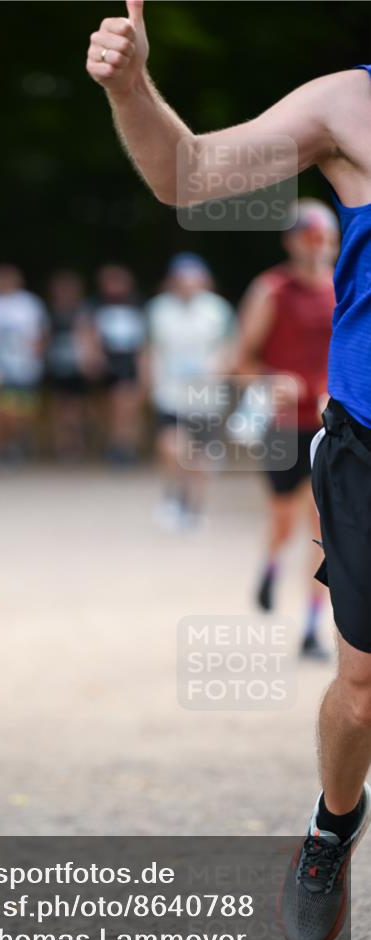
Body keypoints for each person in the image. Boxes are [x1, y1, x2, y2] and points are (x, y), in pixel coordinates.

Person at [87, 1, 371, 940]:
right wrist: (132, 86)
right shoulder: (348, 105)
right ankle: (332, 826)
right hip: (367, 442)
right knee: (362, 690)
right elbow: (188, 174)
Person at [235, 201, 338, 660]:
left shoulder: (346, 288)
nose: (316, 246)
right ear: (291, 242)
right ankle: (271, 562)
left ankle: (312, 629)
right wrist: (269, 380)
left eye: (323, 237)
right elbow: (240, 360)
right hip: (281, 426)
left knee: (323, 529)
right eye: (307, 237)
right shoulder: (271, 290)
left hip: (329, 429)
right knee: (282, 520)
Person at [145, 252, 235, 529]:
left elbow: (232, 347)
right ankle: (173, 495)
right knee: (172, 447)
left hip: (206, 395)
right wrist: (149, 384)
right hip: (170, 392)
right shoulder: (158, 310)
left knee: (201, 457)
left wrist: (222, 372)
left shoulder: (218, 310)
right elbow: (148, 349)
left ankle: (194, 507)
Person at [0, 265, 49, 464]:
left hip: (24, 367)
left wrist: (36, 356)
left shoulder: (29, 304)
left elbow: (42, 332)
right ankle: (1, 448)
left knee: (22, 411)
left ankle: (18, 444)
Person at [94, 264, 147, 465]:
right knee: (109, 408)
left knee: (126, 406)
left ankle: (125, 446)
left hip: (129, 362)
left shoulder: (138, 305)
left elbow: (144, 340)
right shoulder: (96, 306)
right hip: (108, 362)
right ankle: (114, 444)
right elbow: (89, 333)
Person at [45, 270, 99, 461]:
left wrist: (92, 360)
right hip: (57, 366)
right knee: (59, 408)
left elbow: (91, 335)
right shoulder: (51, 311)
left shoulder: (84, 311)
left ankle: (77, 444)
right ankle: (62, 446)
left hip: (78, 367)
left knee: (77, 409)